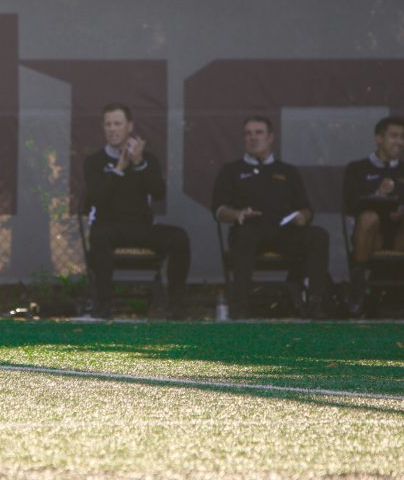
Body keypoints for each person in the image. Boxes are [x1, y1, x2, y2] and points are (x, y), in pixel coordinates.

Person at [212, 115, 329, 319]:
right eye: (248, 134)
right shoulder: (231, 170)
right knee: (244, 237)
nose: (253, 138)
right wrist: (237, 214)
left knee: (318, 235)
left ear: (271, 137)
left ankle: (315, 303)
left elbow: (306, 208)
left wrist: (303, 216)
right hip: (249, 231)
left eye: (259, 133)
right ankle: (240, 308)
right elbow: (219, 210)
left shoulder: (288, 171)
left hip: (285, 231)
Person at [82, 103, 190, 319]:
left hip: (141, 227)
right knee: (98, 237)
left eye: (118, 124)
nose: (113, 129)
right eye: (108, 124)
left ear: (129, 127)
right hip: (109, 227)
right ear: (103, 128)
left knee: (179, 237)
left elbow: (158, 193)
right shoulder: (94, 162)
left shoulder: (147, 159)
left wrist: (139, 163)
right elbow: (94, 198)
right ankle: (102, 308)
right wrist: (119, 169)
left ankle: (176, 307)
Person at [342, 116, 404, 317]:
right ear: (379, 138)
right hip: (370, 236)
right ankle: (358, 291)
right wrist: (379, 194)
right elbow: (349, 205)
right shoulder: (357, 168)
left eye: (402, 137)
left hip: (399, 236)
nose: (399, 142)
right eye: (394, 136)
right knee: (369, 217)